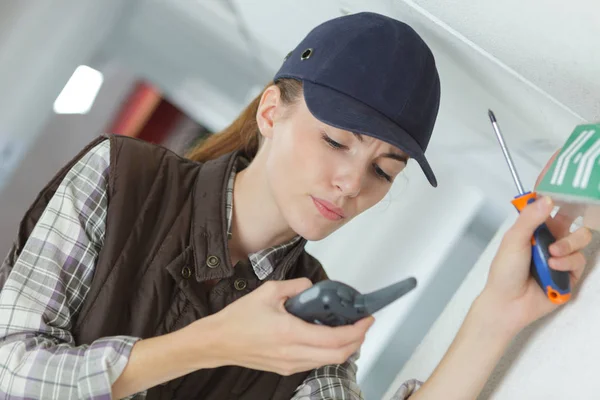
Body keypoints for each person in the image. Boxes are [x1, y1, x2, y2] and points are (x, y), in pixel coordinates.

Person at [0, 11, 590, 400]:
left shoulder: (319, 317)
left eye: (384, 170)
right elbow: (12, 370)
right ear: (270, 113)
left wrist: (497, 314)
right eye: (336, 142)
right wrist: (216, 342)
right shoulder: (122, 175)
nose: (351, 183)